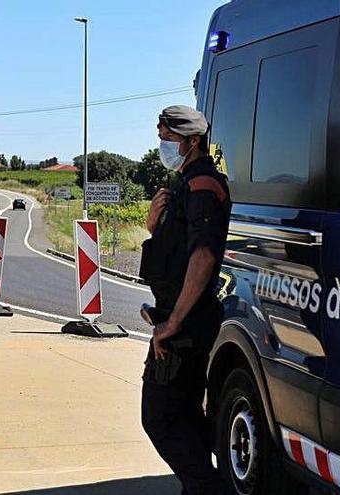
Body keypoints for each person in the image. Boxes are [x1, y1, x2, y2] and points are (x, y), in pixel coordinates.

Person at [139, 105, 232, 495]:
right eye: (160, 138)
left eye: (168, 140)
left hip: (186, 324)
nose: (162, 145)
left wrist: (173, 323)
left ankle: (209, 489)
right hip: (178, 317)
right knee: (187, 415)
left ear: (192, 142)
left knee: (160, 417)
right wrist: (152, 222)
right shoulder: (183, 184)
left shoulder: (203, 186)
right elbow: (174, 245)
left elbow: (204, 256)